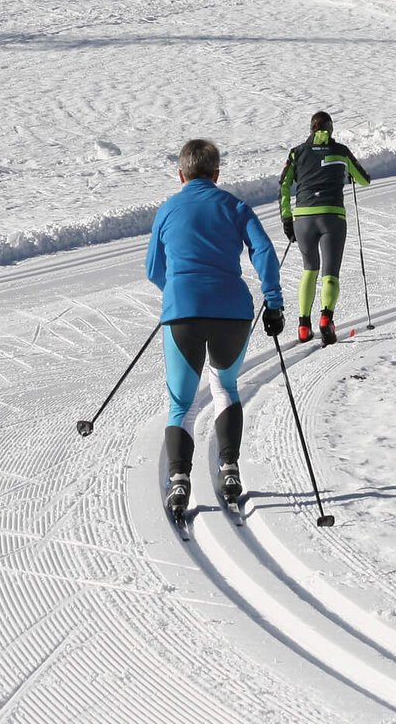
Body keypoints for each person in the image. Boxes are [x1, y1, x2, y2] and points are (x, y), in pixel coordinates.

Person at [146, 138, 284, 521]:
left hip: (183, 314)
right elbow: (264, 252)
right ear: (216, 174)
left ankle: (179, 479)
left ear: (181, 174)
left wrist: (178, 293)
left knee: (182, 403)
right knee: (225, 386)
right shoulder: (234, 206)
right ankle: (229, 469)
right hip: (232, 312)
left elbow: (153, 269)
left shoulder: (168, 209)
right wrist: (273, 301)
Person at [278, 111, 370, 346]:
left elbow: (284, 185)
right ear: (330, 129)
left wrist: (287, 219)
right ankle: (326, 321)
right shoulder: (340, 150)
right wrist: (346, 174)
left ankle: (303, 325)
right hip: (332, 216)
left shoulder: (296, 152)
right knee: (330, 273)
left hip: (304, 218)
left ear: (311, 129)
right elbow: (363, 179)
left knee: (309, 269)